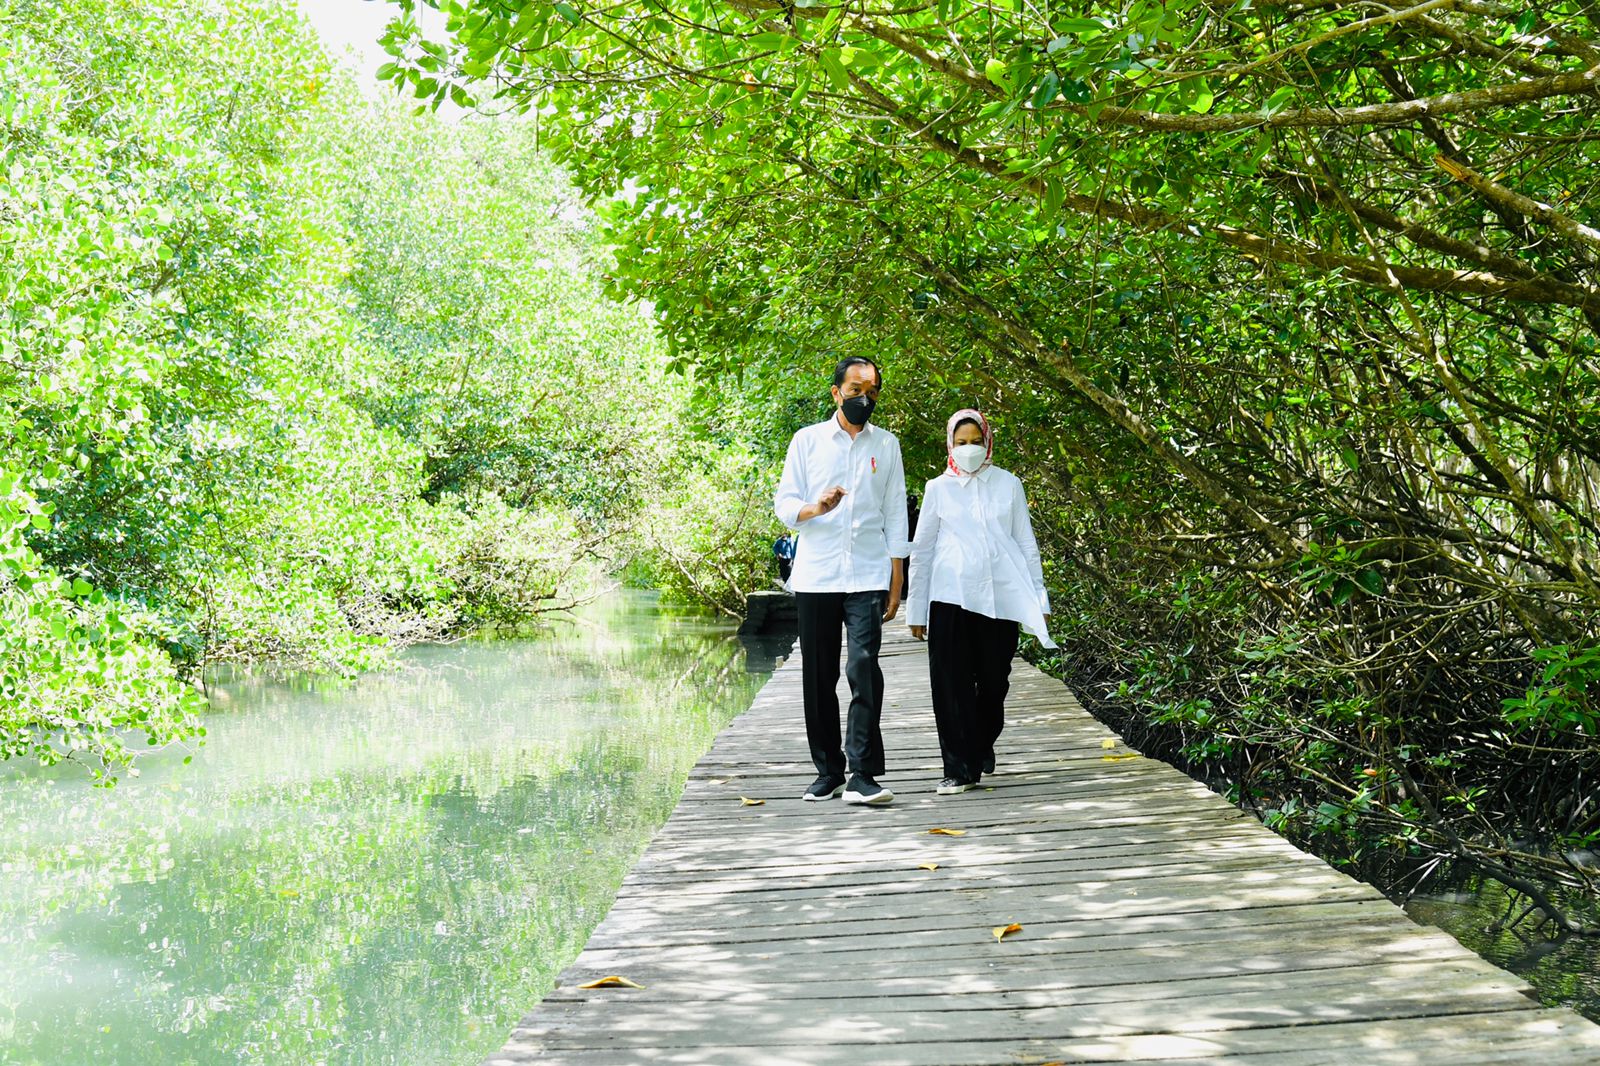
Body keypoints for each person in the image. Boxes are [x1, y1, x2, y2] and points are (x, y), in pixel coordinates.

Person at [773, 356, 909, 806]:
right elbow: (786, 505)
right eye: (855, 390)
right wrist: (817, 508)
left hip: (868, 573)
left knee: (864, 670)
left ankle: (864, 774)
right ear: (836, 392)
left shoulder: (886, 446)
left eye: (871, 392)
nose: (863, 399)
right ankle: (828, 770)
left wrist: (897, 577)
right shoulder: (807, 441)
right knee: (818, 675)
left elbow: (894, 514)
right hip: (817, 575)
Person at [907, 409, 1054, 795]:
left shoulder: (1008, 484)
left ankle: (982, 741)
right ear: (950, 445)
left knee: (994, 681)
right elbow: (921, 551)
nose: (968, 449)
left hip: (1001, 598)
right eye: (961, 442)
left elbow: (1026, 543)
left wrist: (1039, 597)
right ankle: (959, 767)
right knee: (950, 683)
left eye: (975, 441)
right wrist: (917, 608)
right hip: (950, 595)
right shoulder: (938, 488)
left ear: (987, 442)